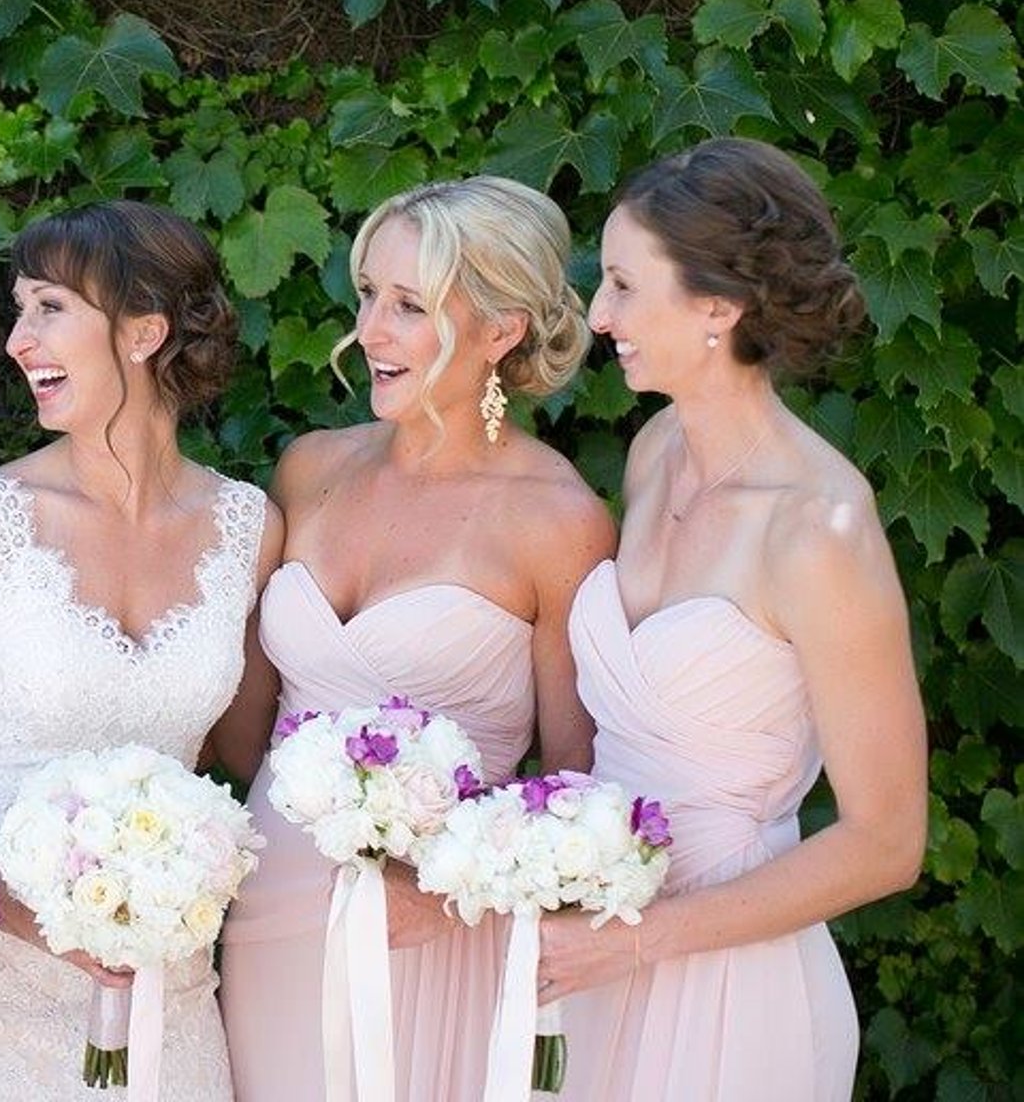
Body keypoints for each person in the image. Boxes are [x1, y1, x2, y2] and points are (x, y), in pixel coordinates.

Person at [0, 200, 284, 1100]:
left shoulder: (250, 528)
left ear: (144, 331)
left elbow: (253, 758)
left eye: (48, 308)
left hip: (170, 1005)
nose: (18, 340)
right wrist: (22, 916)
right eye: (21, 310)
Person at [542, 138, 926, 1100]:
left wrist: (640, 942)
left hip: (725, 981)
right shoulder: (656, 449)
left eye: (627, 286)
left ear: (718, 306)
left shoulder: (817, 528)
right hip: (594, 951)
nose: (599, 315)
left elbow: (887, 841)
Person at [217, 176, 615, 1101]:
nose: (370, 332)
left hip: (437, 931)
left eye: (409, 306)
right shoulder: (310, 468)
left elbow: (570, 778)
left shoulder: (558, 521)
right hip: (268, 904)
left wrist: (440, 895)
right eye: (367, 296)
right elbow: (244, 719)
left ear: (501, 330)